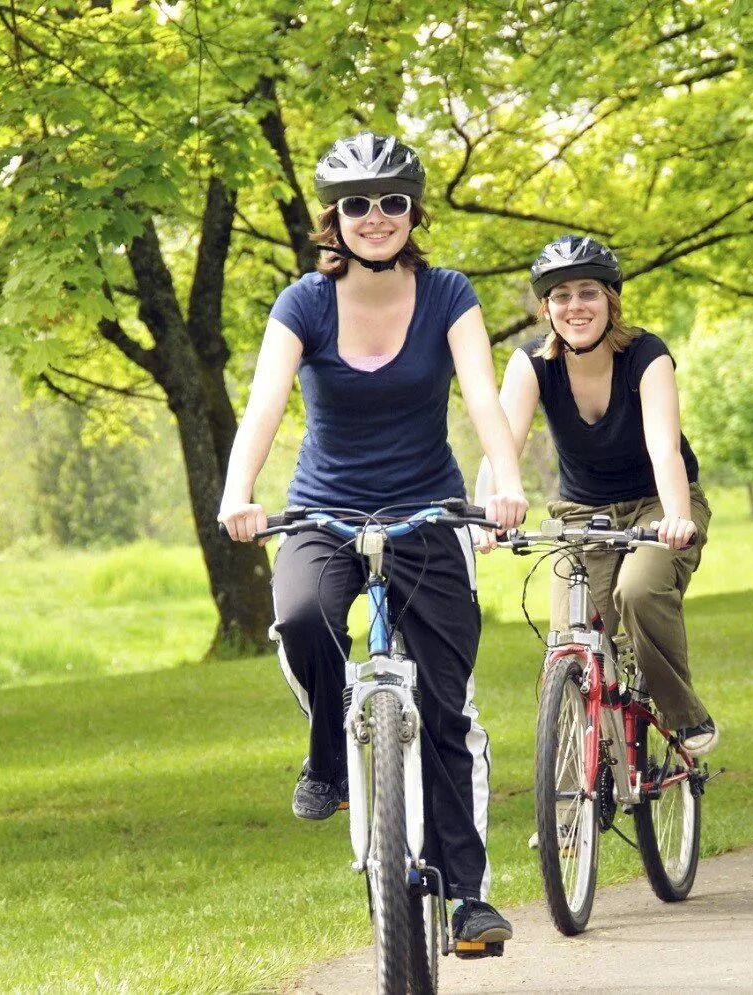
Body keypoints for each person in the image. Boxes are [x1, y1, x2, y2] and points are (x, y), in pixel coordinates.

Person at [217, 132, 527, 944]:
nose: (376, 217)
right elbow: (264, 404)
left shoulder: (450, 293)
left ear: (413, 211)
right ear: (335, 218)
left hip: (428, 512)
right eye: (358, 204)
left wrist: (505, 479)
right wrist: (237, 491)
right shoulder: (303, 303)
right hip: (325, 510)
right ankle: (328, 757)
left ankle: (467, 896)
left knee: (445, 707)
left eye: (392, 201)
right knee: (301, 616)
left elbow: (483, 396)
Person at [476, 235, 718, 756]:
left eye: (588, 292)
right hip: (582, 515)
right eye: (561, 296)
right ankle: (573, 802)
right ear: (546, 308)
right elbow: (502, 444)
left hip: (659, 502)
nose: (575, 306)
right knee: (571, 641)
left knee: (638, 591)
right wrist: (485, 514)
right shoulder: (532, 363)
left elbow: (664, 447)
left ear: (611, 300)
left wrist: (676, 516)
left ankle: (683, 713)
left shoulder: (645, 355)